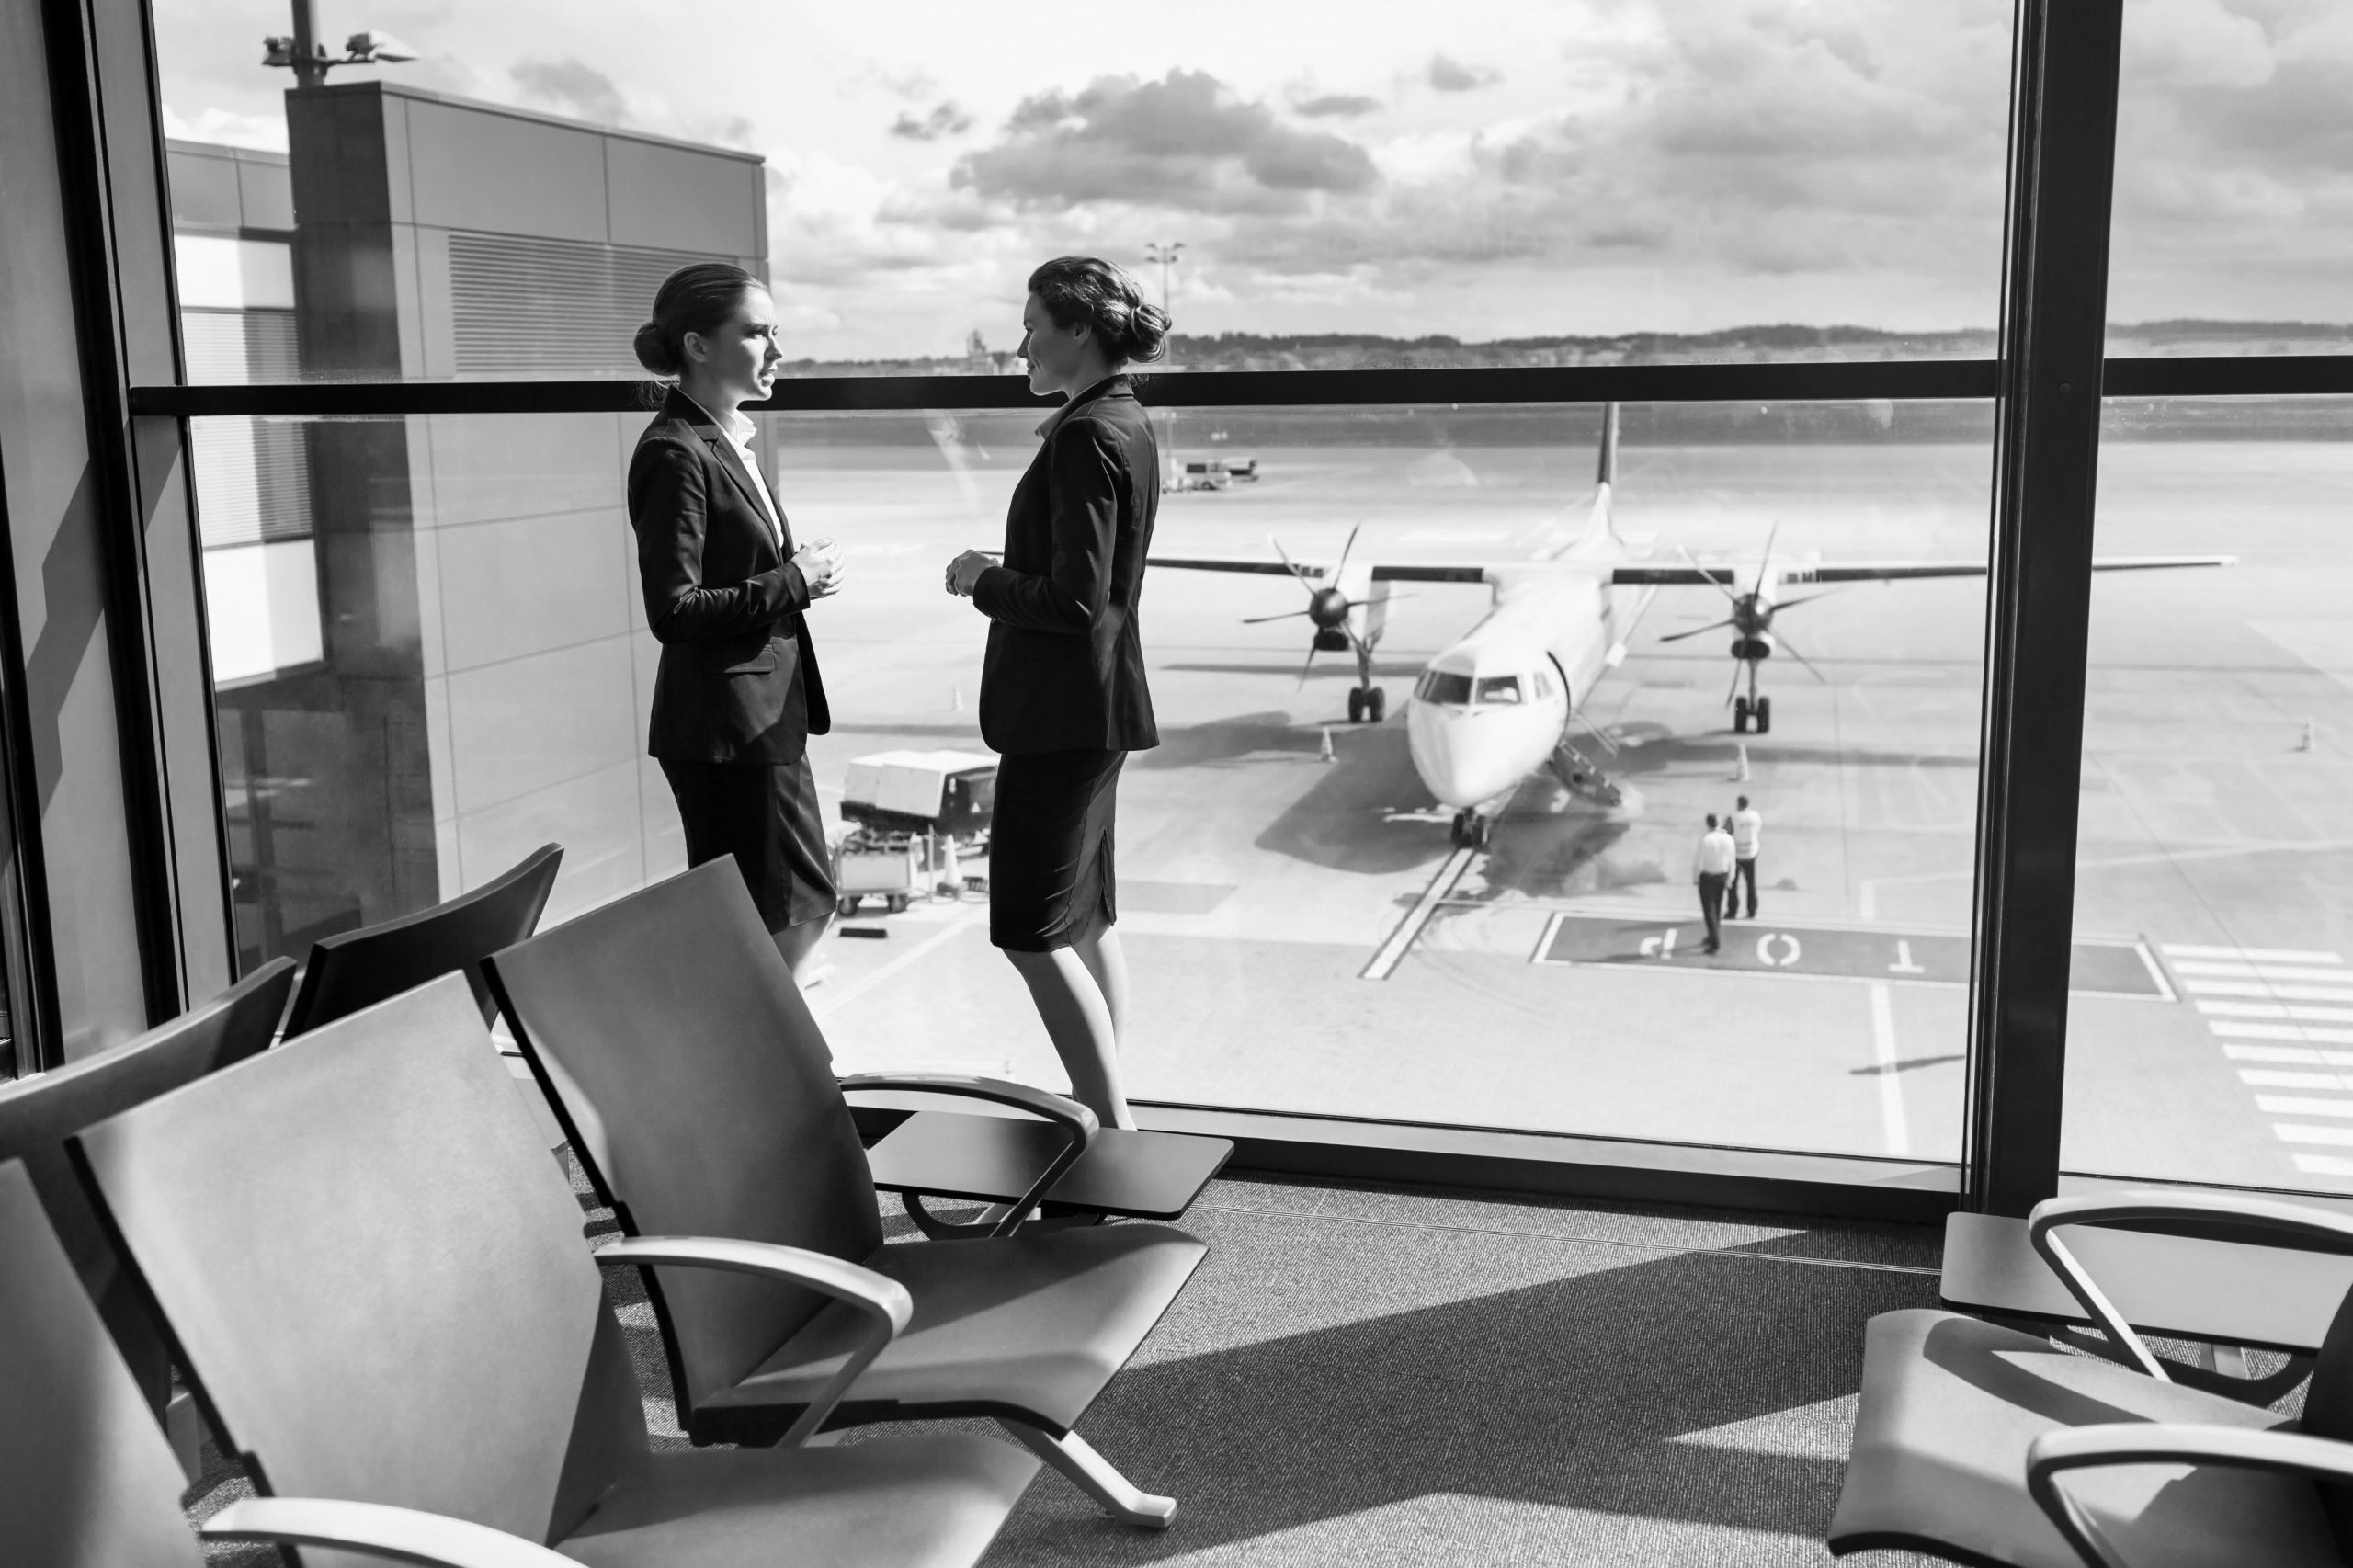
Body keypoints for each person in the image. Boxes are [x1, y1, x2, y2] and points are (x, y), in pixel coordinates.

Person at [946, 256, 1169, 1130]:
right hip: (1098, 709)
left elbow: (1075, 601)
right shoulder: (1126, 420)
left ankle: (1110, 1128)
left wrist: (982, 578)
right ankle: (1110, 1109)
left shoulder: (1084, 436)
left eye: (1034, 322)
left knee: (1030, 931)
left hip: (1061, 716)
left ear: (1080, 328)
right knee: (1086, 920)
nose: (1022, 341)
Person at [627, 262, 846, 984]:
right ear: (696, 345)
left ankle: (772, 1075)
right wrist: (795, 580)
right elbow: (675, 611)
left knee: (799, 909)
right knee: (779, 919)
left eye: (776, 331)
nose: (777, 350)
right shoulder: (674, 453)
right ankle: (767, 1077)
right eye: (757, 333)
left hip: (758, 722)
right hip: (725, 732)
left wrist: (793, 576)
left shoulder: (726, 442)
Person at [1694, 812, 1735, 955]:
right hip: (1722, 876)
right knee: (1717, 908)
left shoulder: (1706, 840)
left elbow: (1699, 862)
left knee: (1708, 911)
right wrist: (1731, 878)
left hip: (1708, 877)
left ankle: (1715, 941)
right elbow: (1732, 861)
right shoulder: (1728, 839)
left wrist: (1696, 878)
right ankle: (1713, 935)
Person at [1726, 793, 1763, 920]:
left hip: (1736, 855)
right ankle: (1752, 910)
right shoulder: (1755, 816)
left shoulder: (1734, 817)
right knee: (1751, 883)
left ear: (1738, 804)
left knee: (1733, 883)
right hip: (1751, 853)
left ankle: (1732, 910)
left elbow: (1727, 833)